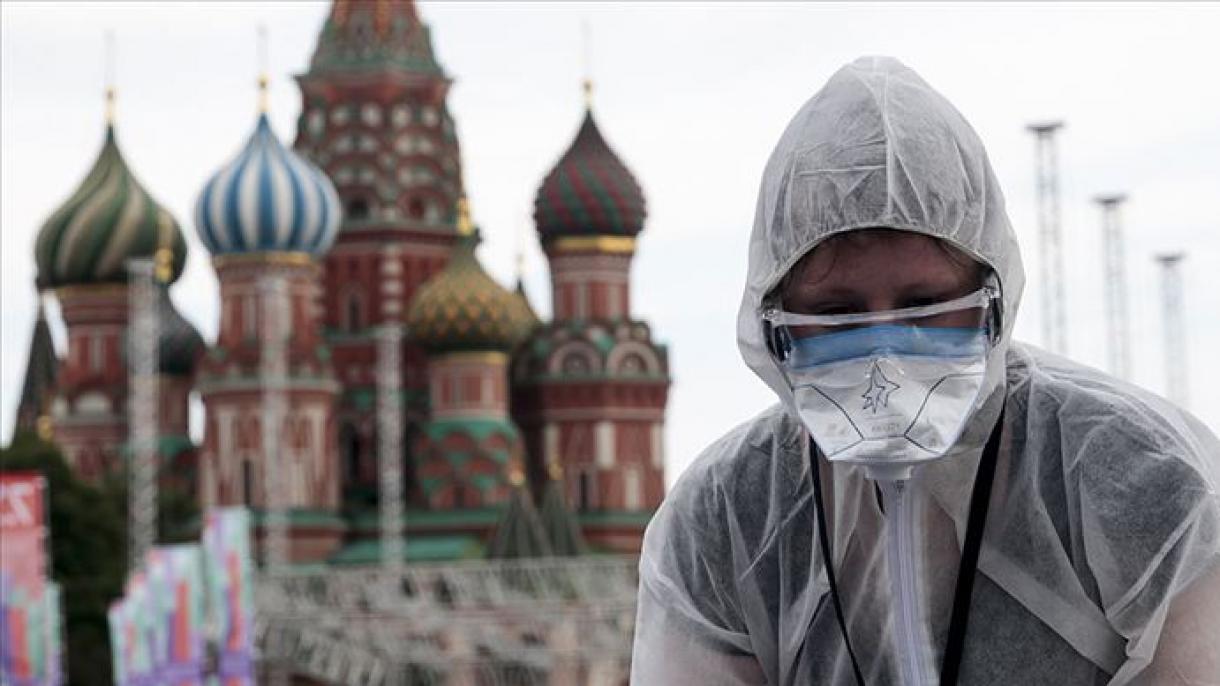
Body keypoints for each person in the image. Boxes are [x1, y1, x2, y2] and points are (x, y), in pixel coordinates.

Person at [630, 57, 1220, 685]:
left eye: (922, 305)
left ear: (990, 302)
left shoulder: (1136, 478)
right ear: (776, 322)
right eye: (837, 313)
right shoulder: (729, 514)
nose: (883, 352)